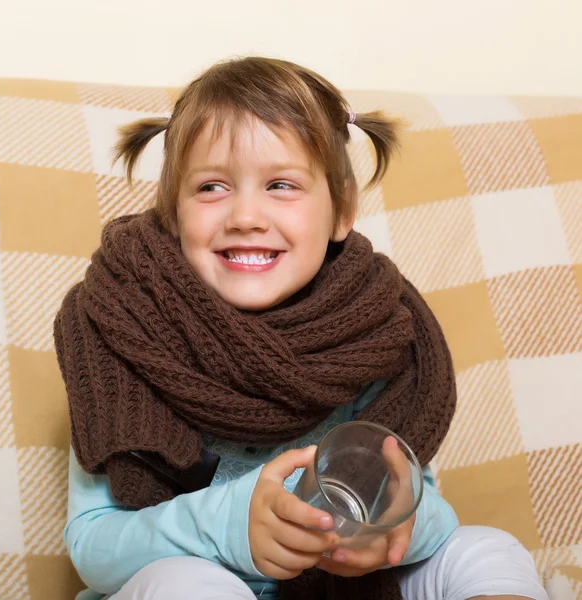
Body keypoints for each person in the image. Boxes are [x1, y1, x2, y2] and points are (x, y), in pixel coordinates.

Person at [54, 56, 547, 600]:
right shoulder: (120, 326)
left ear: (341, 211)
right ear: (173, 214)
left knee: (487, 551)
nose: (245, 216)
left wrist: (390, 527)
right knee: (184, 584)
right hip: (187, 575)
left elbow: (429, 509)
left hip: (341, 586)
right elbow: (94, 547)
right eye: (212, 187)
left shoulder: (372, 334)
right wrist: (228, 526)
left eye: (282, 185)